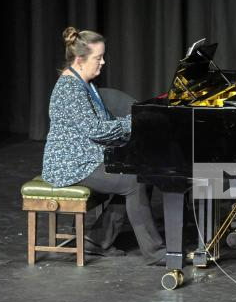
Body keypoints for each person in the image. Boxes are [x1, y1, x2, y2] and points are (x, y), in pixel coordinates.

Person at [41, 26, 166, 265]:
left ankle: (97, 241)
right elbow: (96, 130)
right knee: (133, 181)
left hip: (87, 157)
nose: (103, 62)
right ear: (79, 59)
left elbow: (104, 123)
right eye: (98, 58)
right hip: (71, 165)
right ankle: (155, 253)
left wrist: (134, 125)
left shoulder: (84, 84)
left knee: (139, 172)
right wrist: (135, 122)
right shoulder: (70, 89)